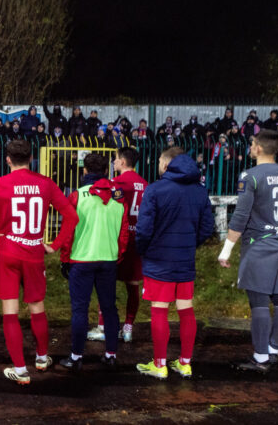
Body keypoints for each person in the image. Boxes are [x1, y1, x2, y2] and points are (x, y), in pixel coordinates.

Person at [0, 139, 78, 385]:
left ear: (8, 159)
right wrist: (54, 245)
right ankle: (42, 358)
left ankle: (20, 369)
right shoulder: (45, 183)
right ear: (31, 158)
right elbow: (71, 216)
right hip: (33, 251)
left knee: (10, 311)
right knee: (36, 307)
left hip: (8, 250)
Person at [135, 147, 214, 379]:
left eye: (160, 160)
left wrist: (143, 251)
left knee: (159, 310)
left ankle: (159, 365)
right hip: (185, 261)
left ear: (168, 163)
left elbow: (144, 229)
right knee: (186, 310)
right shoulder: (200, 191)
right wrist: (190, 245)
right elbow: (206, 228)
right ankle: (184, 363)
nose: (158, 163)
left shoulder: (156, 189)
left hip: (159, 261)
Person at [219, 130, 278, 372]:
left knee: (259, 302)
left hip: (259, 244)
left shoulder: (250, 175)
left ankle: (260, 358)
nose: (249, 146)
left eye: (252, 143)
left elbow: (241, 216)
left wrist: (226, 249)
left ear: (259, 148)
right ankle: (273, 350)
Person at [57, 153, 129, 372]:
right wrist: (119, 256)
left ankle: (76, 357)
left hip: (81, 259)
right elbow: (123, 233)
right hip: (108, 259)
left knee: (80, 309)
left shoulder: (78, 196)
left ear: (85, 172)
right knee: (109, 308)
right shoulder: (118, 197)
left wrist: (64, 258)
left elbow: (68, 232)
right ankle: (110, 354)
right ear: (106, 171)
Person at [87, 147, 148, 343]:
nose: (113, 163)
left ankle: (103, 326)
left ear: (122, 162)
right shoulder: (146, 185)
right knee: (133, 285)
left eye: (115, 159)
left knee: (107, 284)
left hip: (117, 238)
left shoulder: (116, 184)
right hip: (137, 239)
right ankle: (128, 328)